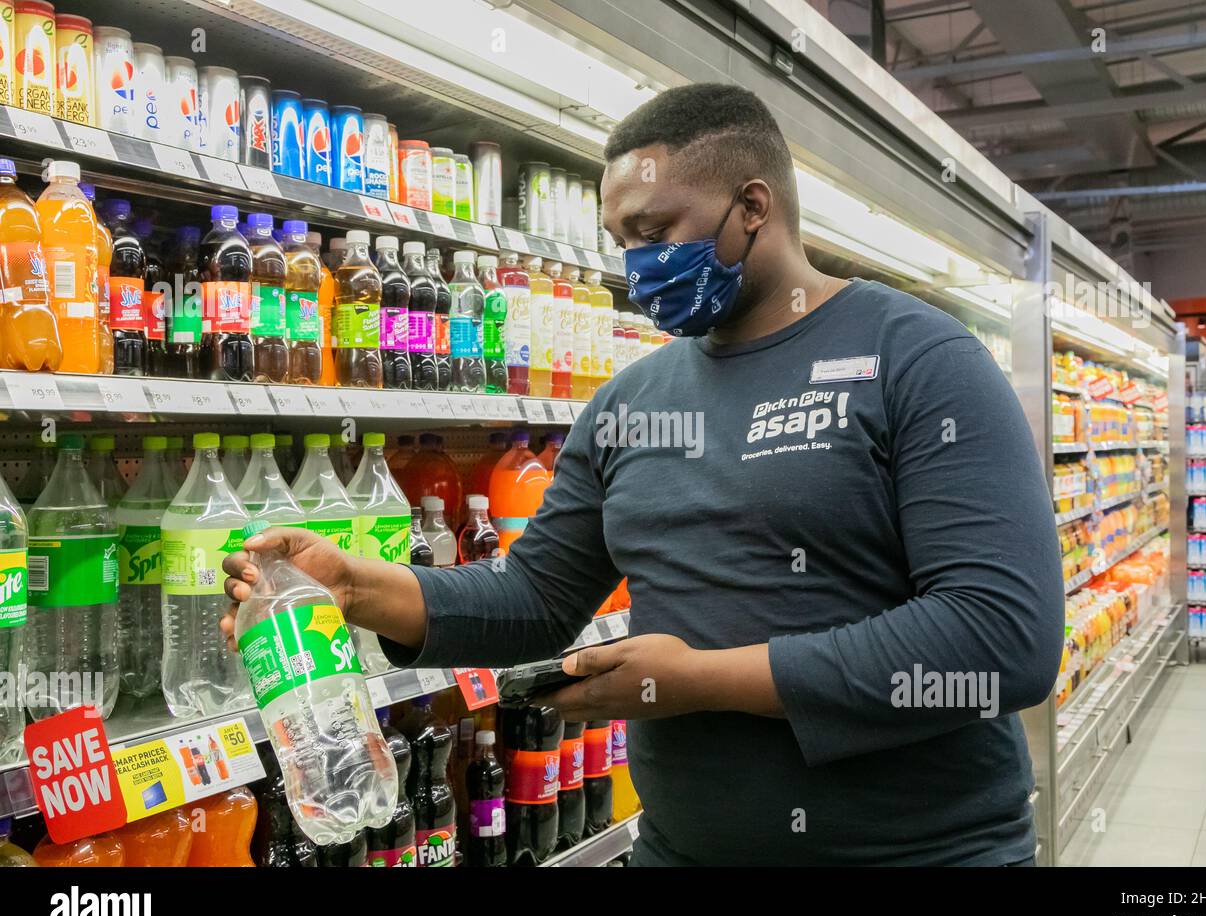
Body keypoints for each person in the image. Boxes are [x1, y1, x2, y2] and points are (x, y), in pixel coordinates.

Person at [223, 83, 1064, 866]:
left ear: (753, 208)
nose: (638, 266)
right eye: (622, 242)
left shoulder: (915, 356)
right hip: (681, 850)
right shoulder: (633, 399)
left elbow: (1001, 639)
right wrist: (357, 588)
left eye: (656, 234)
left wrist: (699, 681)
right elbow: (537, 599)